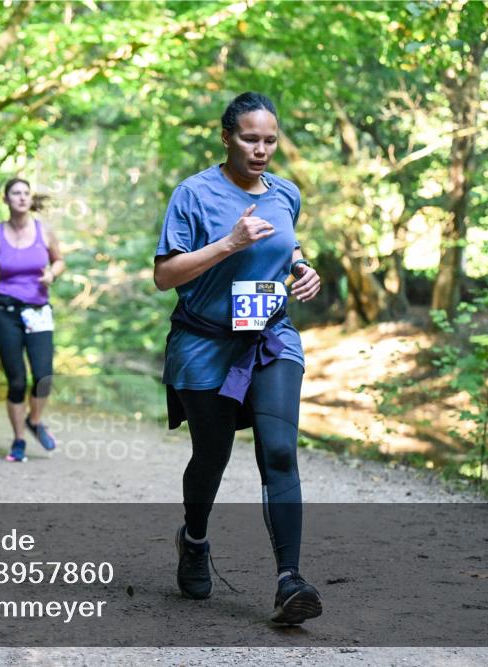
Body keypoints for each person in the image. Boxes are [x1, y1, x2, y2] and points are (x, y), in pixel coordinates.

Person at [154, 92, 323, 625]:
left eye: (270, 140)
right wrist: (228, 242)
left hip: (270, 338)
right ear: (226, 136)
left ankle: (289, 581)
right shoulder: (193, 194)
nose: (261, 150)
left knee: (278, 453)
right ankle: (195, 540)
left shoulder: (285, 193)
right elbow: (165, 276)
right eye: (250, 138)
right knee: (213, 456)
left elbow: (286, 245)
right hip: (205, 345)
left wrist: (301, 267)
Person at [0, 178, 65, 463]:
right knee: (16, 381)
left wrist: (52, 274)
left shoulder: (44, 230)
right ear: (6, 199)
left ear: (30, 199)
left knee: (43, 376)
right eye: (16, 193)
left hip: (38, 310)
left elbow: (59, 260)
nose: (22, 197)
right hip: (5, 311)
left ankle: (34, 420)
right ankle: (19, 440)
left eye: (26, 193)